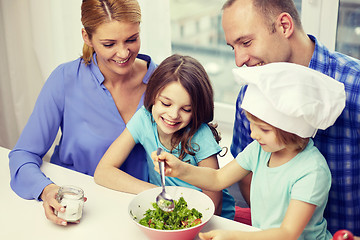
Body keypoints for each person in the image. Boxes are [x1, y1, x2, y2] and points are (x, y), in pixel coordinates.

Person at [153, 62, 346, 240]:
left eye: (264, 129)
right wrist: (179, 169)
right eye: (251, 125)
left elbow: (288, 233)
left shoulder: (312, 172)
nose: (253, 134)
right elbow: (218, 179)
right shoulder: (260, 150)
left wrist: (235, 237)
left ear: (292, 130)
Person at [8, 0, 157, 226]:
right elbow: (23, 154)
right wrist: (47, 190)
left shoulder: (164, 83)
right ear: (87, 37)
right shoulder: (65, 80)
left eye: (132, 39)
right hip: (77, 211)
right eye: (109, 44)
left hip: (143, 214)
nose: (124, 52)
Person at [222, 0, 360, 235]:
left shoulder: (355, 85)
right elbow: (246, 175)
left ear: (285, 26)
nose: (239, 60)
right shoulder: (251, 93)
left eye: (246, 42)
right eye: (232, 47)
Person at [94, 54, 235, 219]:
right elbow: (103, 172)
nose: (173, 115)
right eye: (166, 104)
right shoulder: (144, 119)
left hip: (207, 216)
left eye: (186, 109)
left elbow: (214, 205)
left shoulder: (200, 134)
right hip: (168, 208)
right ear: (153, 95)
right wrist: (156, 193)